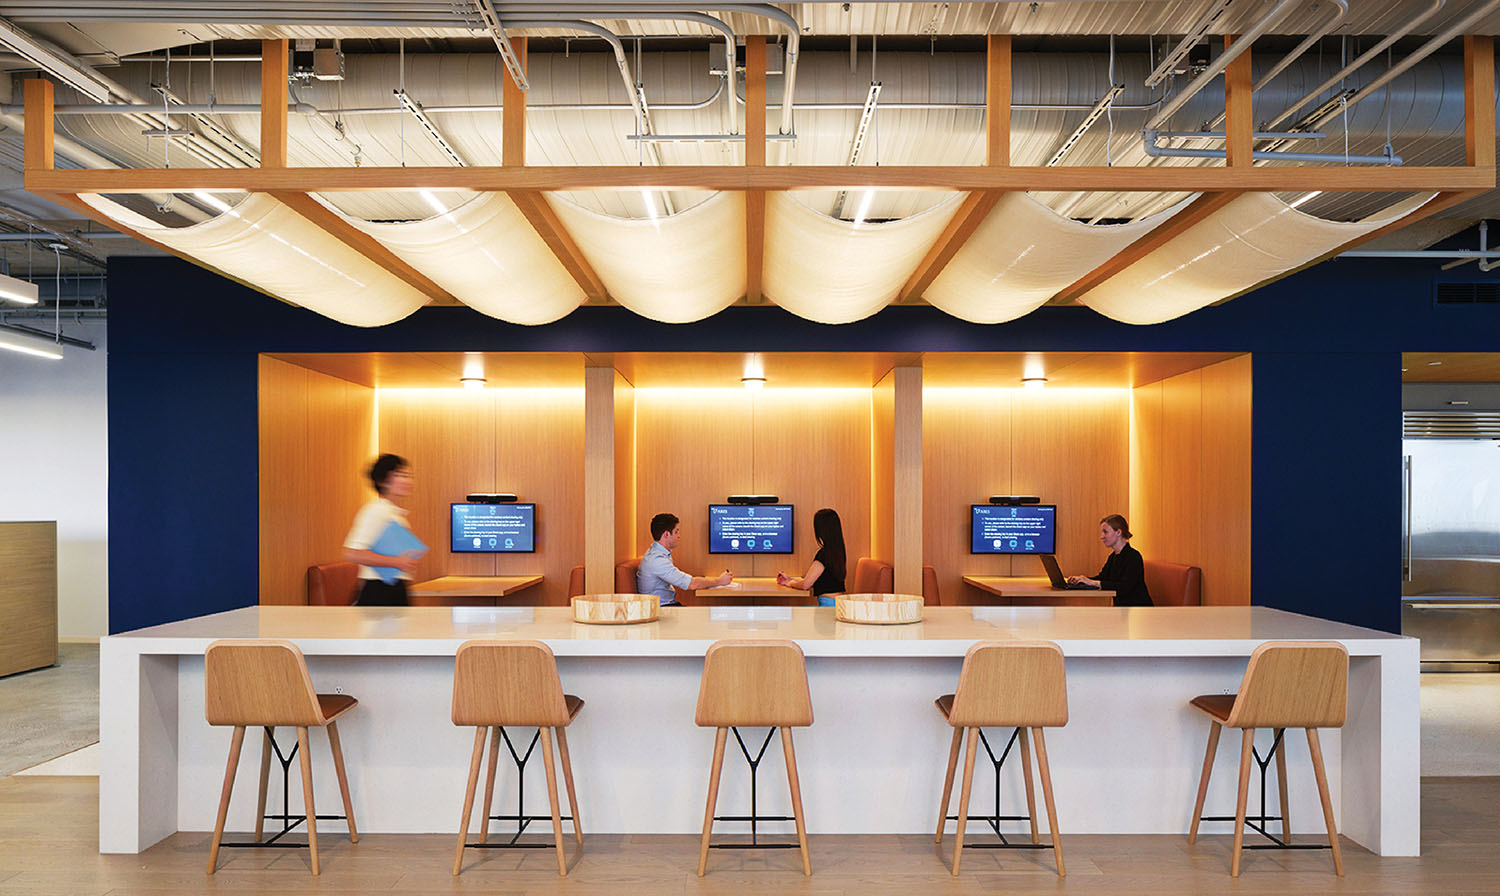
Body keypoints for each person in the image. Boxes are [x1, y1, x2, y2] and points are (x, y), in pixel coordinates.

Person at [343, 454, 425, 606]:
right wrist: (397, 562)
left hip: (394, 586)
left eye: (408, 475)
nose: (407, 481)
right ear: (382, 481)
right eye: (400, 475)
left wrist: (403, 562)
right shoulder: (376, 510)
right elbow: (352, 552)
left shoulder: (393, 513)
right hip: (378, 589)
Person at [638, 512, 733, 607]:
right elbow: (692, 584)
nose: (679, 536)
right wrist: (719, 581)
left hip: (666, 605)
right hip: (661, 609)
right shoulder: (657, 560)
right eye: (676, 531)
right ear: (666, 534)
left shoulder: (656, 552)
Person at [1068, 513, 1153, 607]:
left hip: (1138, 611)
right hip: (1123, 610)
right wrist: (1082, 580)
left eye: (1105, 532)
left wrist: (1092, 582)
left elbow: (1124, 587)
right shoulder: (1113, 556)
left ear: (1118, 532)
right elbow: (1102, 578)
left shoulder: (1133, 556)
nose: (1102, 536)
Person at [777, 507, 847, 607]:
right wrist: (790, 579)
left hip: (827, 606)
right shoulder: (837, 552)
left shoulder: (824, 554)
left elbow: (806, 585)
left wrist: (789, 583)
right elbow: (812, 580)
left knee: (795, 614)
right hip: (835, 603)